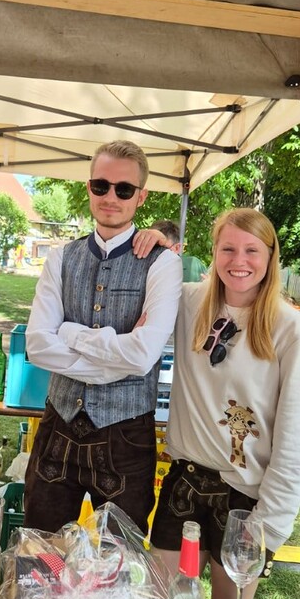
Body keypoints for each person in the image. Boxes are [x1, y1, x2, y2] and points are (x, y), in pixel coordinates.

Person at [135, 207, 300, 599]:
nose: (239, 261)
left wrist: (269, 523)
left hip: (245, 500)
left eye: (252, 250)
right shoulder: (187, 302)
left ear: (270, 256)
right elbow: (139, 286)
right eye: (228, 249)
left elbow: (296, 438)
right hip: (184, 484)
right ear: (214, 253)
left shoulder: (290, 331)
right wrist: (156, 247)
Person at [23, 140, 183, 535]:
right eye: (101, 186)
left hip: (126, 436)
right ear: (89, 188)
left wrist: (69, 332)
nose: (111, 197)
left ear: (141, 196)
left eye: (124, 189)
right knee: (41, 550)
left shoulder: (163, 262)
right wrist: (116, 359)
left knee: (120, 558)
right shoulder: (61, 257)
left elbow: (143, 356)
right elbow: (37, 345)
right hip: (58, 425)